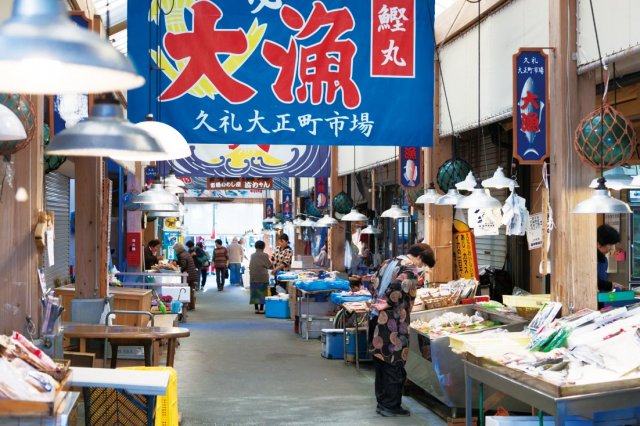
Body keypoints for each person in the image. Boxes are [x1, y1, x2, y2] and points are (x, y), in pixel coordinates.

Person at [368, 243, 435, 417]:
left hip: (375, 316)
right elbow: (400, 286)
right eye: (424, 264)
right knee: (394, 362)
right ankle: (391, 405)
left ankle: (382, 403)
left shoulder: (389, 261)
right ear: (419, 257)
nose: (422, 268)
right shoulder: (410, 268)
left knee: (381, 361)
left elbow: (372, 281)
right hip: (393, 321)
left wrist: (378, 300)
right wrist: (389, 302)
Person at [173, 242, 200, 310]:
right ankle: (191, 305)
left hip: (188, 275)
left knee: (188, 290)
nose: (175, 251)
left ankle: (190, 306)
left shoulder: (182, 255)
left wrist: (178, 269)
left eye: (175, 250)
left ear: (178, 249)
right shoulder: (185, 253)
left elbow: (183, 265)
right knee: (190, 290)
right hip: (192, 274)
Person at [597, 224, 623, 292]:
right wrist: (610, 285)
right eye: (610, 244)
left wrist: (611, 285)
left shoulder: (604, 260)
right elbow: (592, 280)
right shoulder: (591, 260)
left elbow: (602, 281)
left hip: (602, 299)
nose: (612, 248)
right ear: (599, 243)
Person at [249, 240, 272, 314]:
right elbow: (269, 265)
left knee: (255, 291)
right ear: (263, 247)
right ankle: (261, 308)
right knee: (262, 292)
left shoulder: (252, 255)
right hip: (263, 276)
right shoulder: (265, 255)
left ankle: (256, 308)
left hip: (254, 276)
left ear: (255, 247)